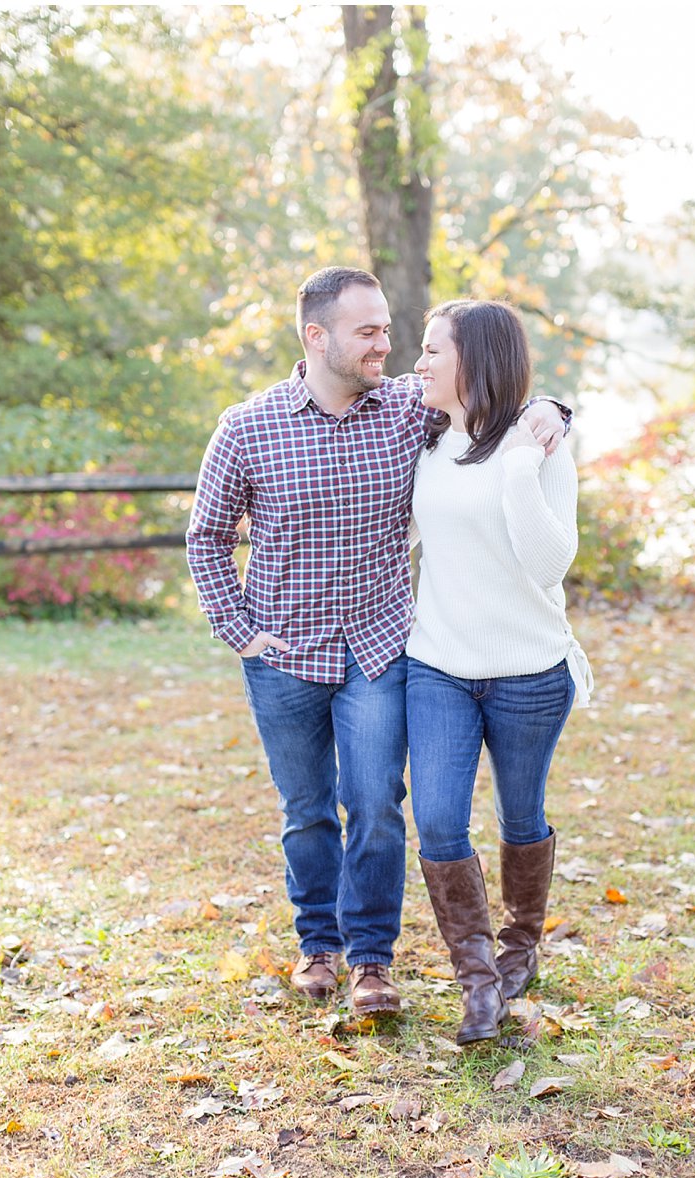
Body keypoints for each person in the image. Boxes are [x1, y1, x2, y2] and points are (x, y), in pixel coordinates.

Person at [185, 267, 568, 1017]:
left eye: (389, 330)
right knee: (306, 811)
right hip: (285, 656)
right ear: (316, 336)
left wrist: (557, 408)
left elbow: (490, 404)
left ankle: (370, 960)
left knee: (376, 803)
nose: (386, 347)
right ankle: (318, 945)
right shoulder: (247, 426)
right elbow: (205, 539)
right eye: (369, 332)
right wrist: (240, 631)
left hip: (377, 648)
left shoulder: (403, 408)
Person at [406, 299, 592, 1046]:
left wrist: (521, 461)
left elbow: (549, 565)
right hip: (438, 666)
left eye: (430, 351)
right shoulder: (418, 434)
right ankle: (477, 980)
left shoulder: (540, 447)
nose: (416, 364)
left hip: (529, 672)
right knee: (440, 819)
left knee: (522, 815)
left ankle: (520, 944)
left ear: (474, 360)